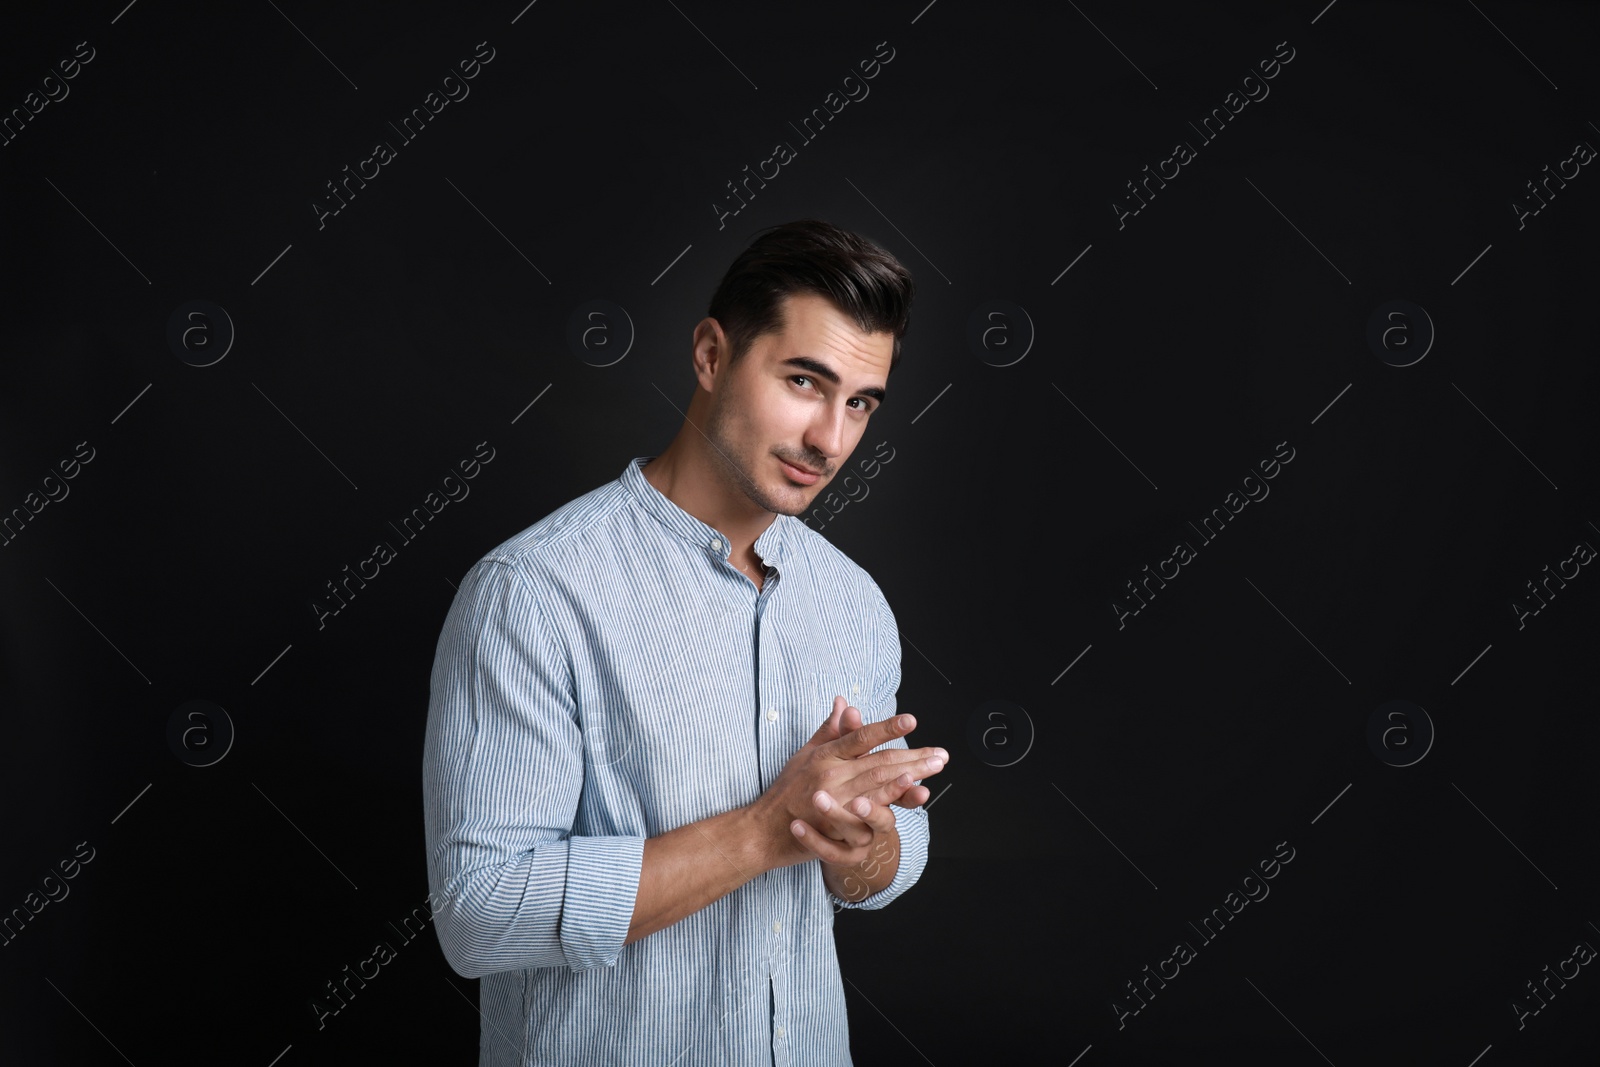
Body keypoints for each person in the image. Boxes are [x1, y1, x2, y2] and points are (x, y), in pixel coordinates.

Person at [423, 218, 948, 1066]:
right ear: (711, 355)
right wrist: (766, 830)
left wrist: (866, 845)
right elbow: (479, 911)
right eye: (805, 382)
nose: (831, 438)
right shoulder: (535, 594)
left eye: (859, 402)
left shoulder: (854, 601)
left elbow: (891, 858)